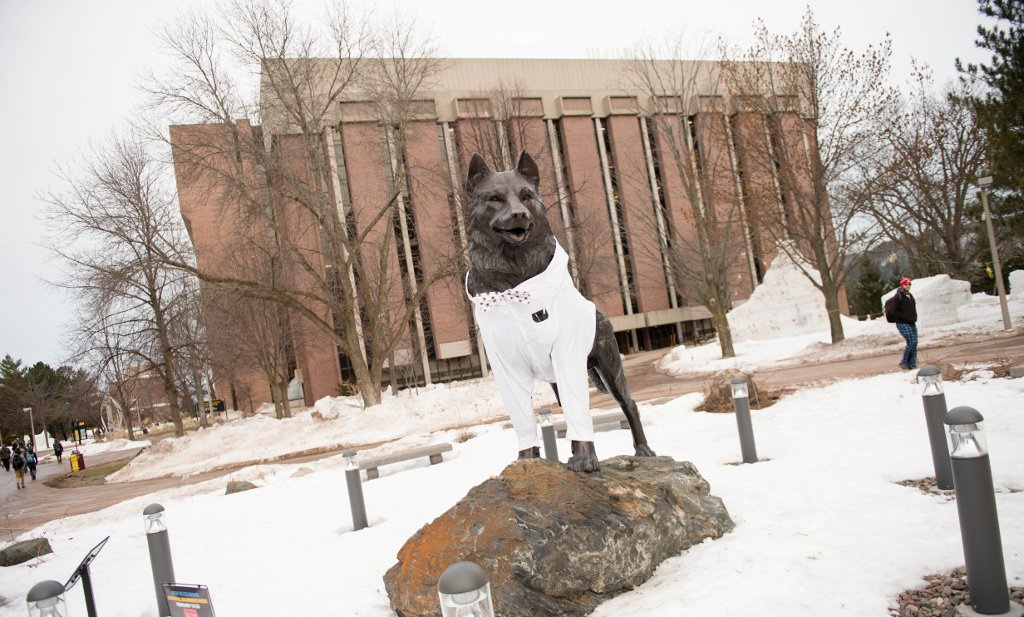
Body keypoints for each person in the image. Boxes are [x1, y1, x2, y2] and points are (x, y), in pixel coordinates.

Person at [893, 277, 918, 370]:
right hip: (902, 323)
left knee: (914, 343)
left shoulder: (910, 296)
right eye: (905, 284)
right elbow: (894, 311)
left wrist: (915, 317)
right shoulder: (898, 296)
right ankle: (903, 362)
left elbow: (913, 310)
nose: (908, 286)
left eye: (909, 284)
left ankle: (912, 364)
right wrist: (905, 317)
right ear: (902, 285)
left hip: (911, 322)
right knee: (911, 342)